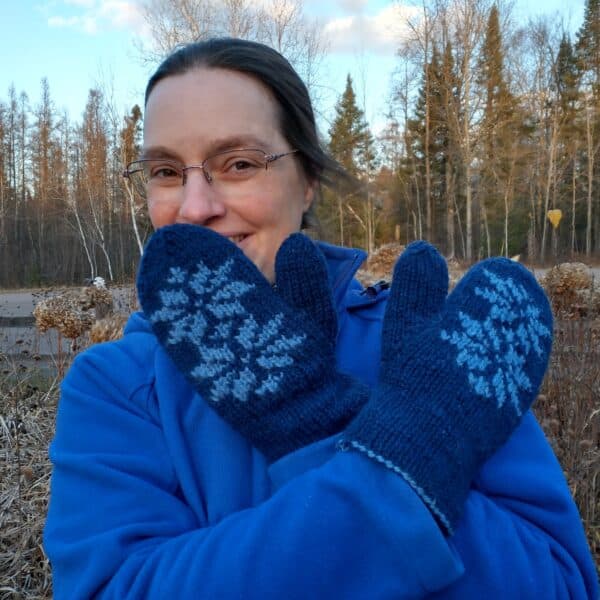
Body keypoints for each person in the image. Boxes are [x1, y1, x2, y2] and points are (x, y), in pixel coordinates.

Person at [44, 38, 597, 599]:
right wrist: (400, 468)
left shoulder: (440, 354)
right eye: (164, 170)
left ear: (306, 181)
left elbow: (560, 584)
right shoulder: (116, 385)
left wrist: (365, 438)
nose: (193, 206)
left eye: (238, 163)